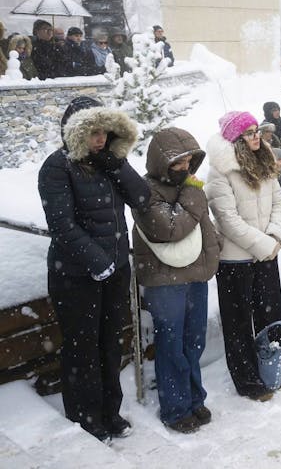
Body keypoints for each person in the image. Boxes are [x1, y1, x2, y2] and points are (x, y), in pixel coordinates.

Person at [38, 96, 150, 442]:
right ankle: (85, 416)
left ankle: (109, 411)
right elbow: (62, 224)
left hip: (114, 271)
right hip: (75, 275)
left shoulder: (109, 162)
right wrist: (98, 263)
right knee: (82, 346)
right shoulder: (57, 167)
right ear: (75, 133)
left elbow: (143, 198)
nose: (100, 139)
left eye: (104, 131)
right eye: (92, 132)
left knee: (110, 343)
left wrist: (117, 164)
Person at [132, 127, 220, 433]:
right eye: (178, 162)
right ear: (161, 162)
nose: (185, 169)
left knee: (193, 342)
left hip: (195, 274)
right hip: (164, 280)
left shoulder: (188, 188)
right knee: (172, 345)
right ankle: (175, 408)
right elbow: (170, 228)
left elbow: (200, 226)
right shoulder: (146, 190)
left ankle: (195, 399)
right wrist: (194, 193)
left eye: (189, 162)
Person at [204, 111, 281, 402]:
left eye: (257, 130)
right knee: (238, 322)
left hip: (267, 254)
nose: (257, 136)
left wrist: (276, 236)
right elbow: (227, 219)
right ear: (236, 139)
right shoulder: (221, 171)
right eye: (249, 132)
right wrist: (264, 245)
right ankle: (247, 378)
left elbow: (278, 201)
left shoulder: (264, 162)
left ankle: (269, 368)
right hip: (236, 261)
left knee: (270, 316)